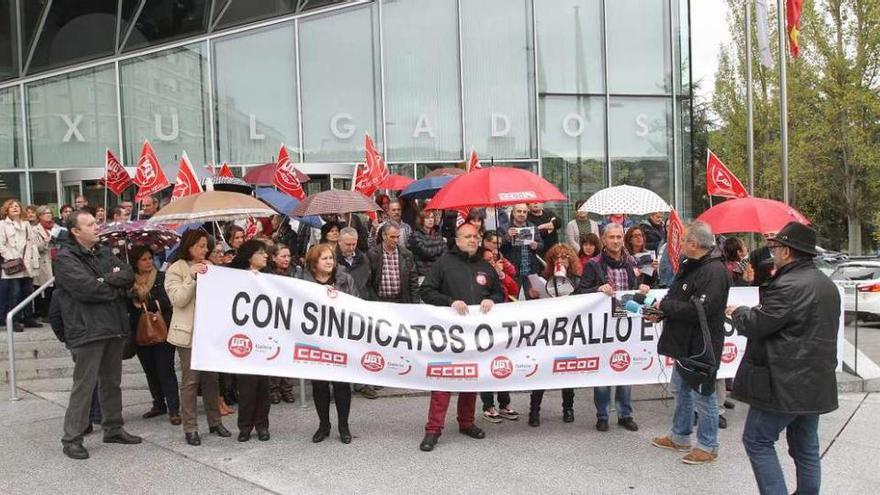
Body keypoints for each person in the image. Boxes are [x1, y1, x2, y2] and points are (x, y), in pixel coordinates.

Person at [726, 222, 840, 495]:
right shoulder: (826, 284)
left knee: (757, 440)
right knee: (806, 448)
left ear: (787, 252)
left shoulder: (787, 285)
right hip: (815, 381)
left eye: (775, 247)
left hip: (783, 381)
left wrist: (740, 311)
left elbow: (758, 324)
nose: (772, 252)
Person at [56, 210, 142, 460]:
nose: (97, 227)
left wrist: (105, 280)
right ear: (75, 231)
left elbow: (127, 274)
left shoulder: (103, 251)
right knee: (84, 385)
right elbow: (87, 289)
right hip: (87, 330)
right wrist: (110, 283)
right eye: (91, 224)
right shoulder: (66, 258)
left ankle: (113, 428)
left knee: (112, 382)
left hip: (113, 327)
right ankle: (72, 438)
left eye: (96, 222)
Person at [649, 221, 730, 465]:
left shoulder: (715, 271)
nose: (680, 244)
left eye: (683, 240)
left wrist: (666, 306)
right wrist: (661, 310)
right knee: (680, 389)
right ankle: (680, 436)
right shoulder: (690, 264)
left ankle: (708, 445)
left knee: (703, 394)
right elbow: (676, 296)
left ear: (694, 244)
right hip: (682, 340)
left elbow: (700, 310)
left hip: (700, 344)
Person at [419, 223, 504, 452]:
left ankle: (466, 423)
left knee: (471, 380)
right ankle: (433, 430)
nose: (473, 240)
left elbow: (500, 293)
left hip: (476, 336)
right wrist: (450, 302)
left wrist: (492, 299)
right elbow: (426, 290)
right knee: (442, 384)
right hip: (450, 336)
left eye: (476, 236)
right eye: (467, 236)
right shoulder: (444, 263)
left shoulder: (486, 266)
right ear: (457, 240)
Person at [574, 223, 645, 433]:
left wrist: (643, 289)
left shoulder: (632, 262)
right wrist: (597, 289)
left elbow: (637, 292)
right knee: (604, 372)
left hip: (626, 323)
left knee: (624, 367)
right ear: (604, 240)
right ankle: (602, 415)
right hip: (603, 327)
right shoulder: (594, 264)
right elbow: (579, 292)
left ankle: (625, 414)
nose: (616, 241)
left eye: (619, 237)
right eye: (611, 237)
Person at [165, 230, 231, 446]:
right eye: (200, 246)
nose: (204, 250)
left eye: (206, 246)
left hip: (209, 332)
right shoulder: (176, 269)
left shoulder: (211, 267)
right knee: (191, 381)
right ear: (189, 246)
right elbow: (178, 299)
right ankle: (190, 427)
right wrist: (192, 277)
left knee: (211, 379)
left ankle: (215, 421)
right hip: (189, 333)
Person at [300, 243, 359, 444]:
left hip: (339, 340)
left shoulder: (345, 279)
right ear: (314, 263)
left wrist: (338, 298)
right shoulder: (302, 282)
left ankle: (344, 425)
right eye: (324, 258)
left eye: (331, 258)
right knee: (319, 385)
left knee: (342, 385)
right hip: (315, 341)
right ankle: (323, 425)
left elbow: (357, 306)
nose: (329, 262)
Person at [529, 243, 582, 426]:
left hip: (568, 332)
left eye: (564, 257)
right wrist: (533, 295)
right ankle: (534, 411)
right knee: (542, 371)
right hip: (548, 331)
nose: (561, 260)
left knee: (567, 372)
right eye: (557, 258)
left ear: (570, 260)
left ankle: (568, 408)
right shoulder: (544, 278)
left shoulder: (577, 279)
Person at [128, 245, 180, 425]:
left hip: (161, 328)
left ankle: (174, 408)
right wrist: (133, 299)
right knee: (150, 370)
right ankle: (158, 403)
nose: (148, 262)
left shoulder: (161, 277)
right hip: (140, 330)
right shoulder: (129, 281)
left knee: (165, 369)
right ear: (135, 262)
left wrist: (150, 303)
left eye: (150, 258)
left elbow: (169, 300)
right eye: (143, 259)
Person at [228, 240, 273, 442]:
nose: (266, 256)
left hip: (265, 337)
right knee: (246, 386)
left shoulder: (271, 278)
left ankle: (262, 425)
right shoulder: (233, 277)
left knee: (264, 385)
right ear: (249, 256)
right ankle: (245, 426)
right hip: (242, 338)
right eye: (261, 253)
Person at [0, 199, 45, 331]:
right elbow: (1, 244)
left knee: (27, 291)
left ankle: (28, 317)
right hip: (13, 263)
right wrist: (11, 258)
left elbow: (32, 244)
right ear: (6, 210)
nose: (15, 208)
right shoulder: (3, 224)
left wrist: (33, 260)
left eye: (17, 206)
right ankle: (14, 320)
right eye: (11, 207)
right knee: (14, 293)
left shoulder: (26, 224)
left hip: (28, 262)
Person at [267, 244, 297, 404]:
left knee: (288, 353)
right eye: (283, 256)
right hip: (273, 317)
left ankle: (287, 388)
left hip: (290, 316)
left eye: (288, 256)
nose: (287, 259)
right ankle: (274, 389)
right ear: (273, 257)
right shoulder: (267, 274)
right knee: (274, 352)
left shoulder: (295, 272)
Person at [367, 222, 419, 304]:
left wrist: (415, 304)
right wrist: (374, 301)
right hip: (379, 302)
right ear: (384, 236)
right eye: (392, 237)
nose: (396, 240)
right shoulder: (373, 254)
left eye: (398, 237)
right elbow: (368, 282)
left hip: (401, 302)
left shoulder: (407, 254)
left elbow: (413, 282)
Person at [502, 203, 543, 299]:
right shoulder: (504, 228)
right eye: (519, 211)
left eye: (524, 212)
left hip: (530, 269)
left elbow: (541, 245)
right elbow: (499, 246)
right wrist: (507, 236)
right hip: (513, 270)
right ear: (513, 212)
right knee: (512, 299)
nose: (522, 214)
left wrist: (536, 245)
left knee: (533, 298)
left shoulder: (533, 227)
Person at [32, 206, 56, 319]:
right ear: (40, 215)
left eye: (50, 213)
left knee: (56, 287)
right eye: (46, 213)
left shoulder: (56, 227)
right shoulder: (34, 229)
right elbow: (35, 247)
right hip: (44, 261)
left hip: (57, 260)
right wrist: (46, 241)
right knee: (46, 289)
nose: (49, 215)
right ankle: (45, 314)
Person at [336, 227, 372, 301]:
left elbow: (368, 282)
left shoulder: (363, 258)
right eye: (348, 244)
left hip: (360, 301)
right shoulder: (332, 259)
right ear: (339, 241)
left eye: (354, 244)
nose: (351, 248)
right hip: (340, 301)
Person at [410, 209, 447, 278]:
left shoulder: (437, 234)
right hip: (423, 274)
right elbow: (426, 253)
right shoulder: (416, 235)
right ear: (421, 220)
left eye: (432, 217)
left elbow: (445, 253)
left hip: (438, 273)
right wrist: (440, 246)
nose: (430, 220)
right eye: (427, 218)